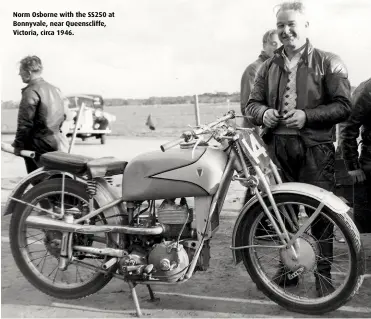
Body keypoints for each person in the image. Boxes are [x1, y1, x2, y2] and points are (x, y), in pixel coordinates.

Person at [245, 1, 352, 297]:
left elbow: (344, 106)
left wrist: (307, 116)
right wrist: (263, 112)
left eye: (291, 24)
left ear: (306, 26)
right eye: (280, 25)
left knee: (321, 216)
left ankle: (325, 277)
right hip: (276, 148)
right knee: (284, 215)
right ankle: (290, 270)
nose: (285, 30)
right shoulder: (267, 66)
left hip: (315, 150)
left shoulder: (329, 61)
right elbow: (251, 104)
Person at [12, 55, 66, 173]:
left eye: (20, 70)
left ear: (29, 72)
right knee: (55, 178)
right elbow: (64, 116)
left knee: (40, 182)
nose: (19, 74)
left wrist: (18, 145)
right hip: (57, 141)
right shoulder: (56, 89)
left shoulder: (31, 91)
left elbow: (25, 123)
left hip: (38, 145)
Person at [341, 78, 371, 233]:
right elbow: (348, 129)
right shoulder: (366, 89)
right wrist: (352, 166)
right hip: (370, 162)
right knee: (365, 225)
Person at [240, 29, 280, 129]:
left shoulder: (280, 68)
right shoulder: (254, 70)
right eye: (274, 43)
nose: (278, 47)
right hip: (258, 134)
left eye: (280, 44)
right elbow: (247, 108)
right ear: (264, 46)